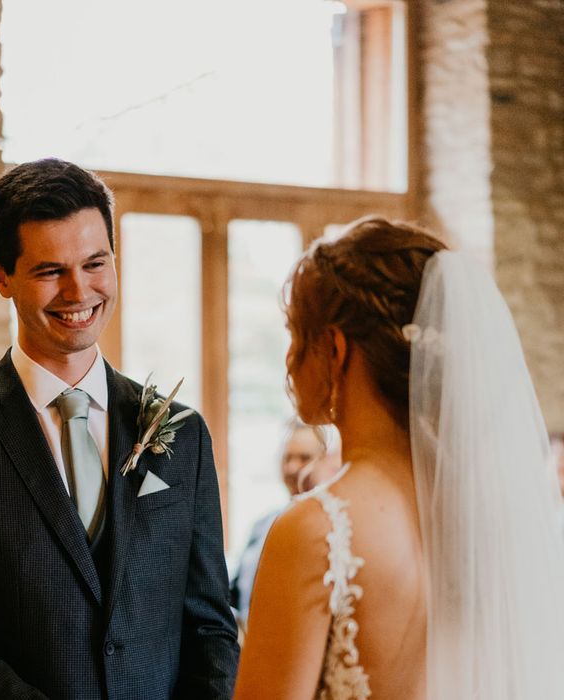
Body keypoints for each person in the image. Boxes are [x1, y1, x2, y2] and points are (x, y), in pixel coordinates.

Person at [0, 157, 239, 699]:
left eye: (95, 263)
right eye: (51, 271)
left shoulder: (181, 432)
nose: (79, 292)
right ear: (1, 275)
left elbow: (211, 626)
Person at [234, 216, 564, 699]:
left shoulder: (315, 531)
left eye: (295, 334)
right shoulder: (491, 521)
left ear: (334, 349)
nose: (288, 360)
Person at [229, 420, 340, 628]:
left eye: (304, 458)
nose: (291, 467)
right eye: (287, 458)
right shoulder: (262, 525)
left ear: (328, 462)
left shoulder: (334, 533)